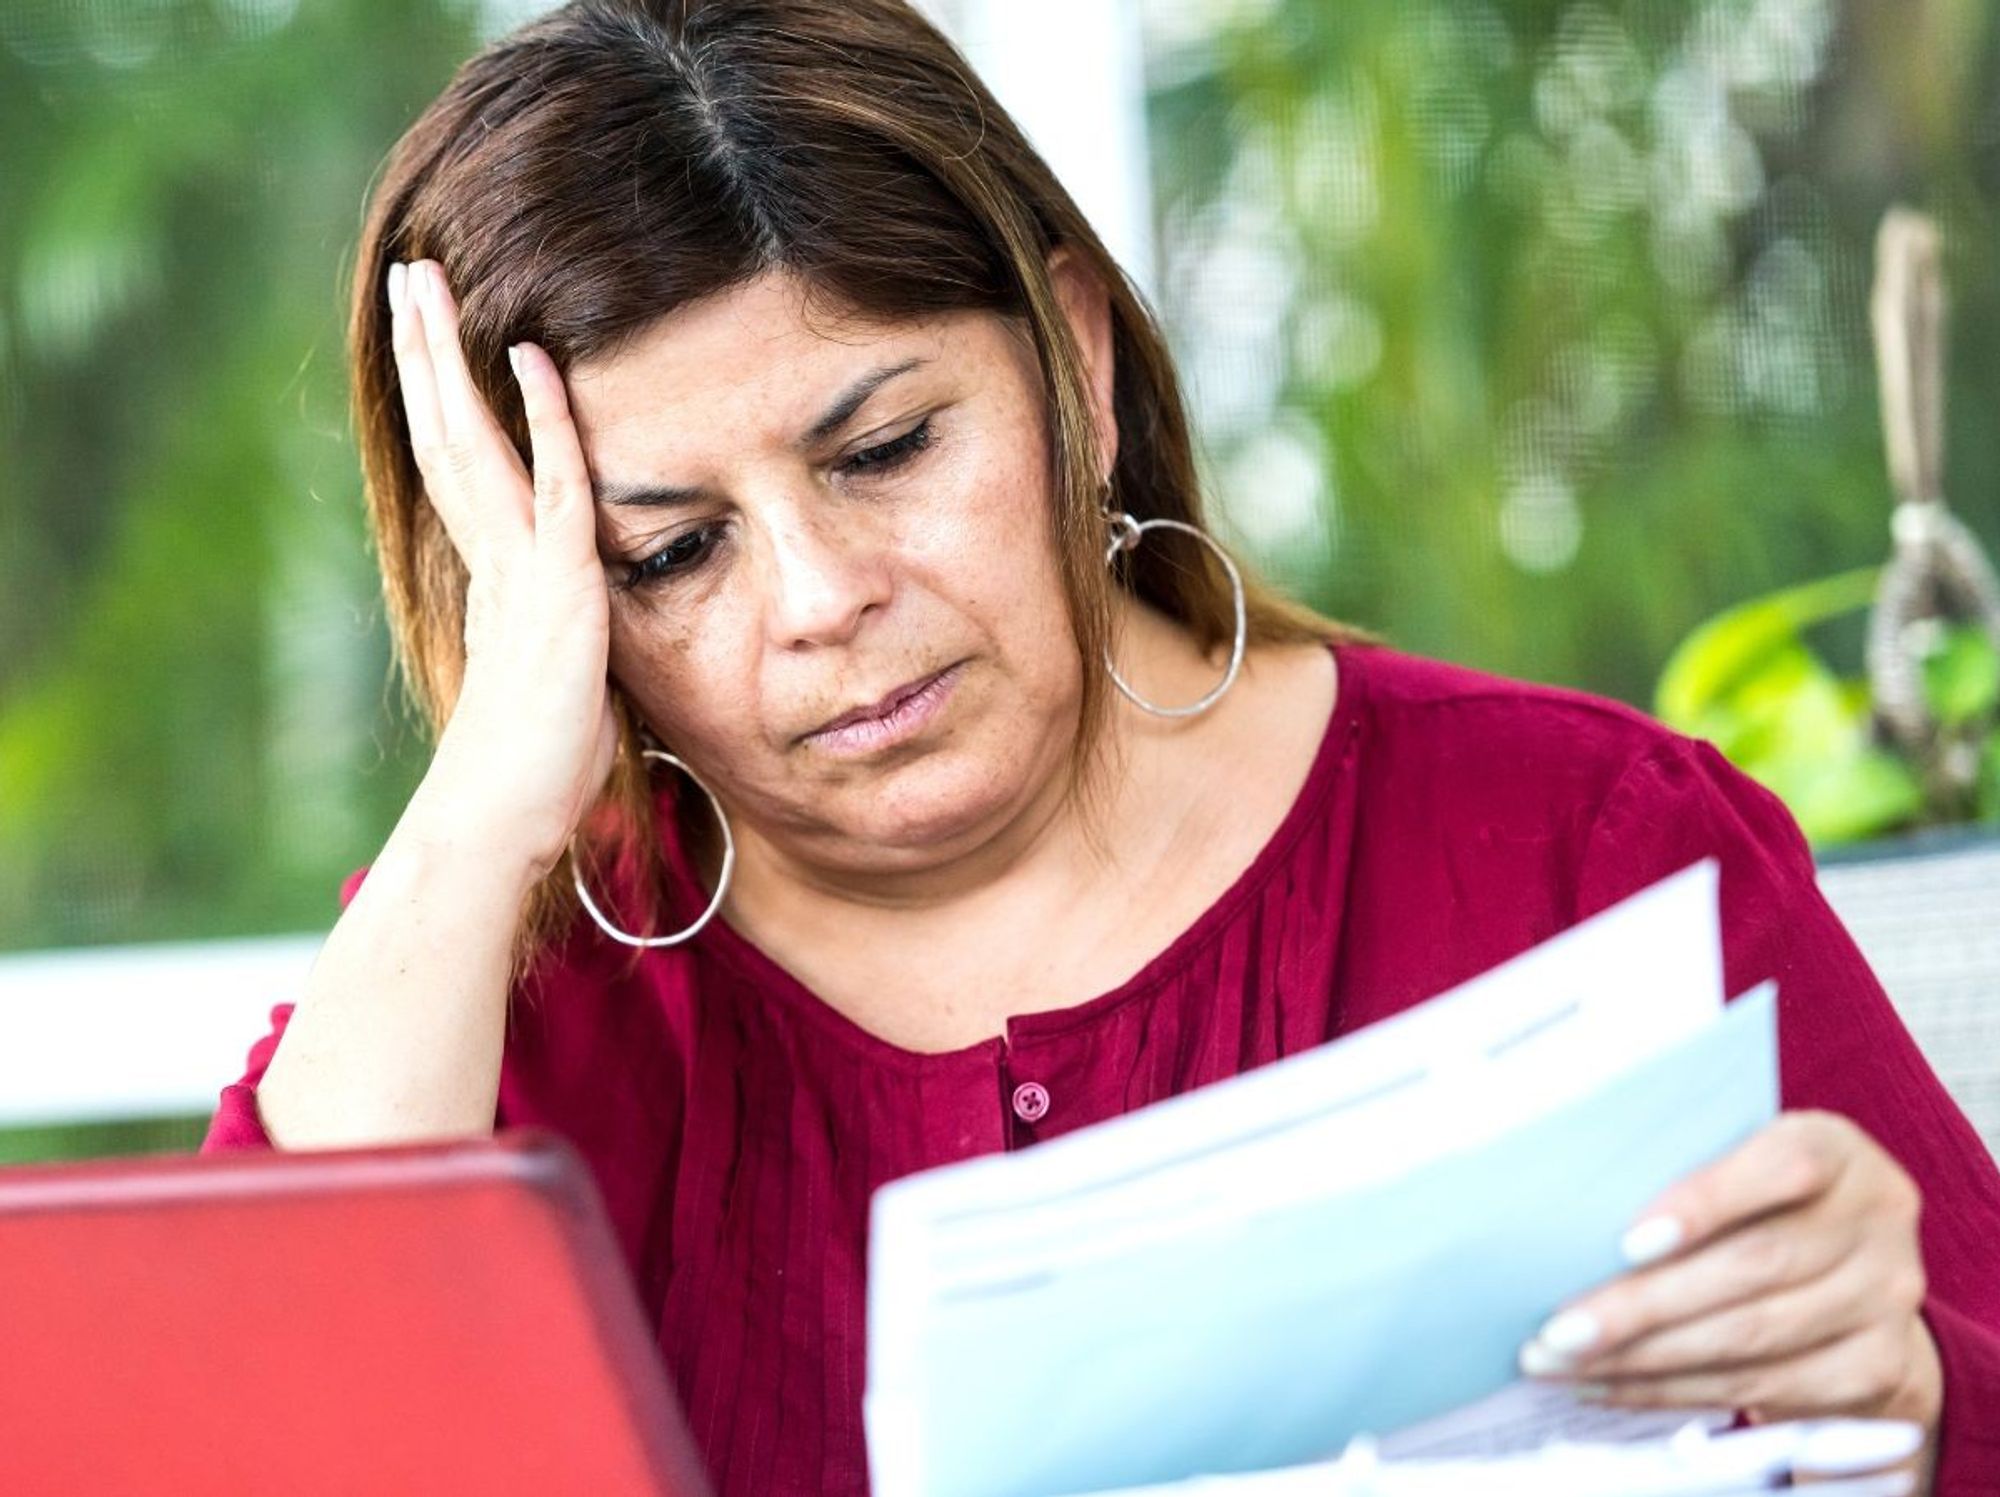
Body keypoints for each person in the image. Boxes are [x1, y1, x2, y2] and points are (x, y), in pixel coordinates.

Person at [199, 1, 2000, 1492]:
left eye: (887, 449)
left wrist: (1903, 1381)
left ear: (1075, 357)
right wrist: (482, 808)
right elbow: (248, 1439)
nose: (823, 597)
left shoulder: (1586, 844)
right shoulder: (504, 1001)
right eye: (670, 552)